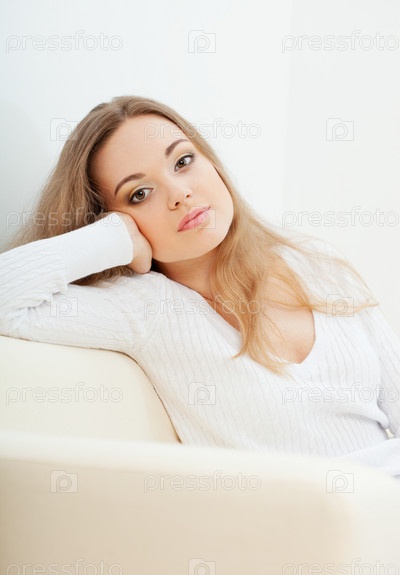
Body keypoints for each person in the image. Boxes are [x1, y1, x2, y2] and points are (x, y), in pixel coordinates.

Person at [1, 95, 399, 478]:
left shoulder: (314, 261)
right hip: (311, 520)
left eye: (183, 161)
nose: (180, 194)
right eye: (139, 194)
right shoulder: (148, 310)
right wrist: (113, 238)